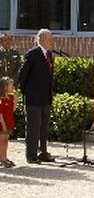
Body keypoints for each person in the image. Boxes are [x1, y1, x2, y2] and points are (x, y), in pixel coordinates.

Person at [18, 28, 56, 164]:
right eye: (50, 39)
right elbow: (22, 75)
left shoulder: (50, 55)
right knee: (33, 128)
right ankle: (31, 155)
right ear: (42, 40)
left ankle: (43, 152)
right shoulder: (33, 54)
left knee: (44, 127)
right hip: (33, 99)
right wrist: (26, 92)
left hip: (46, 98)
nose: (53, 41)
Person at [0, 77, 16, 168]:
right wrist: (3, 124)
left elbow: (13, 109)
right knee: (2, 140)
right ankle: (2, 159)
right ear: (5, 86)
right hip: (2, 123)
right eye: (11, 85)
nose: (12, 86)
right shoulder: (1, 99)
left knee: (5, 141)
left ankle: (4, 157)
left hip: (9, 122)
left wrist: (15, 96)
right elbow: (0, 113)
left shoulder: (10, 97)